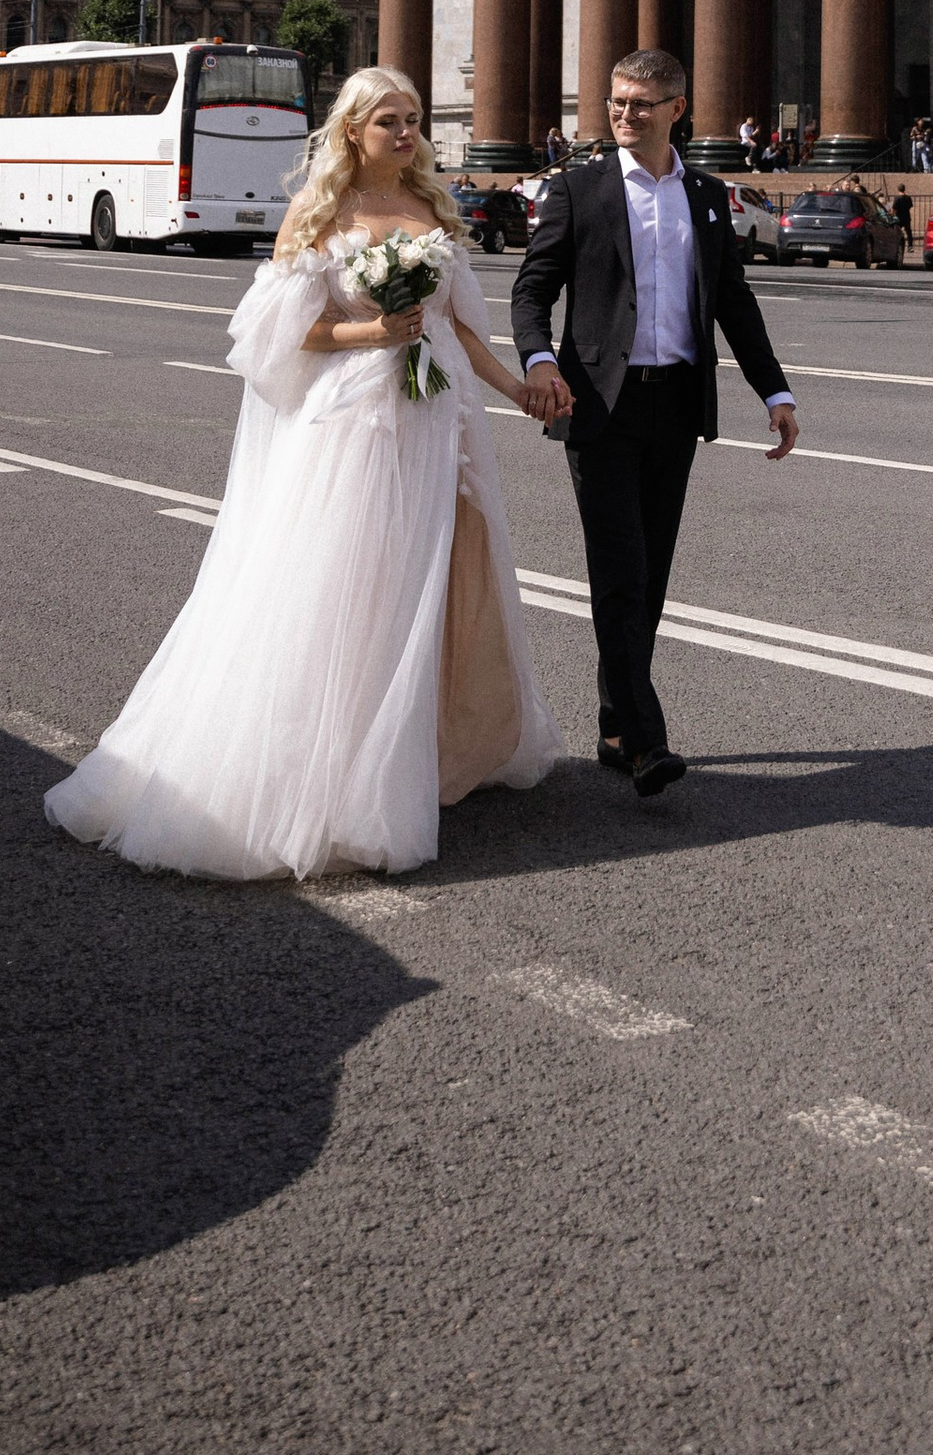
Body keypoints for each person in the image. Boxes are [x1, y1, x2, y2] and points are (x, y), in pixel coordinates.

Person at [44, 67, 561, 881]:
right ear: (352, 130)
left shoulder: (432, 207)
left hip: (438, 419)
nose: (406, 132)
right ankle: (329, 775)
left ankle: (414, 749)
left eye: (413, 118)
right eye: (389, 120)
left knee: (430, 575)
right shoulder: (319, 212)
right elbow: (285, 334)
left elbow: (459, 330)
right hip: (353, 421)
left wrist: (518, 389)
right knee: (348, 583)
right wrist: (374, 333)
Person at [513, 46, 797, 797]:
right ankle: (646, 742)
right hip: (598, 405)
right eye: (616, 101)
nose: (624, 114)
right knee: (619, 572)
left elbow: (733, 300)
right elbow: (532, 288)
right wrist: (538, 360)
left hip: (675, 405)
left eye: (641, 103)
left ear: (678, 109)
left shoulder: (707, 195)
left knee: (650, 578)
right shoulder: (578, 188)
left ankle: (614, 725)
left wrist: (774, 392)